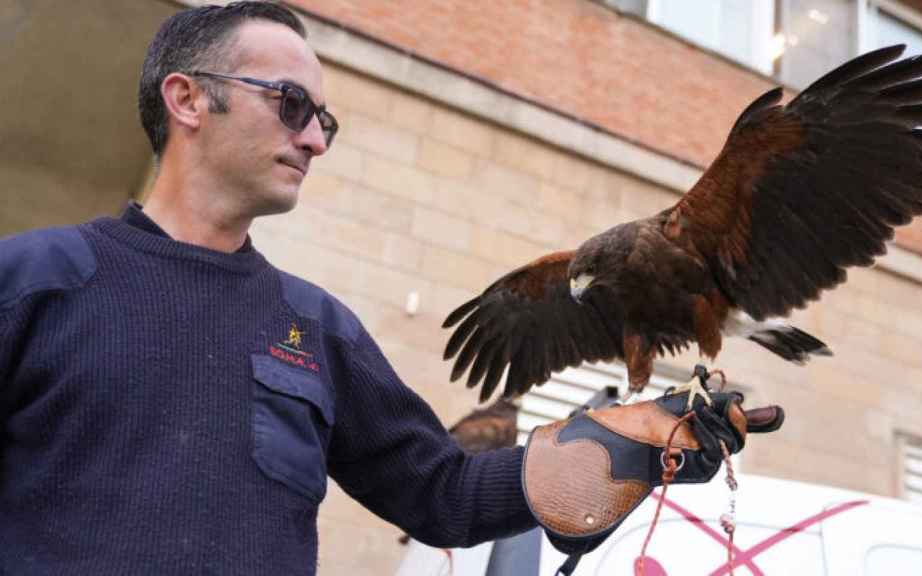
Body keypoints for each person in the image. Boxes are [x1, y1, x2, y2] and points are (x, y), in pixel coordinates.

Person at [0, 3, 749, 574]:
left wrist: (631, 443)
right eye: (291, 104)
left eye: (325, 119)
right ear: (188, 99)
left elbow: (444, 493)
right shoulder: (30, 285)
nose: (316, 140)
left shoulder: (315, 327)